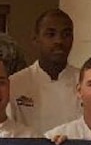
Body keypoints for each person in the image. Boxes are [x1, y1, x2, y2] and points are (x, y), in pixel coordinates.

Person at [7, 8, 79, 137]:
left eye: (66, 34)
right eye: (51, 34)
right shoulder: (15, 83)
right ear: (35, 39)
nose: (59, 41)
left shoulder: (86, 82)